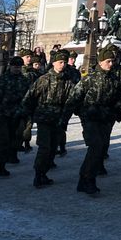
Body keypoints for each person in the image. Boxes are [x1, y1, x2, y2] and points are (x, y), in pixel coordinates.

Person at [64, 45, 121, 195]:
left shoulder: (114, 79)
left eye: (113, 61)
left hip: (105, 119)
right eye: (109, 61)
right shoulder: (89, 79)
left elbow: (117, 97)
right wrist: (66, 118)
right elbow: (74, 98)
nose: (111, 64)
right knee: (96, 147)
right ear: (101, 61)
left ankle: (85, 180)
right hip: (91, 119)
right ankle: (87, 179)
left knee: (100, 149)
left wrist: (118, 109)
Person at [21, 50, 74, 188]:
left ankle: (43, 173)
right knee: (44, 148)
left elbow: (72, 100)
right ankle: (38, 174)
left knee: (52, 148)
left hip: (59, 119)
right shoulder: (44, 79)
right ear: (54, 63)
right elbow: (30, 97)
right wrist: (28, 115)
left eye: (64, 62)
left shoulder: (67, 81)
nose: (62, 65)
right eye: (60, 62)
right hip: (44, 118)